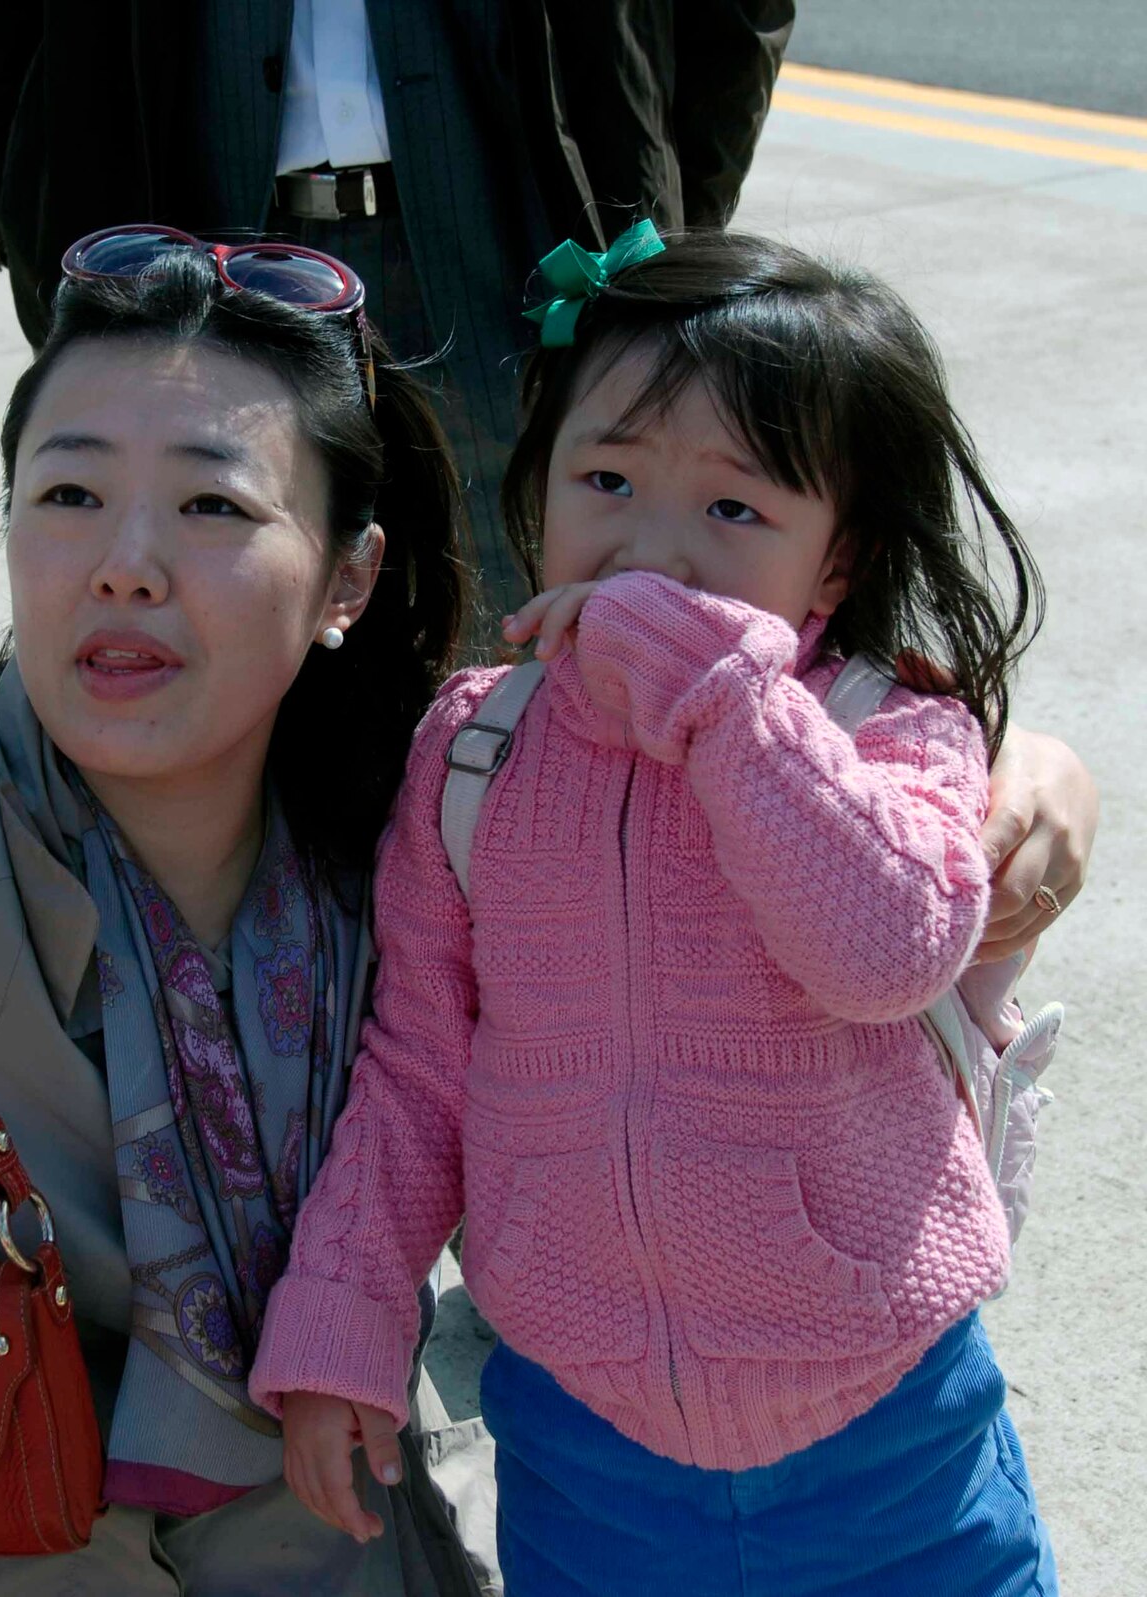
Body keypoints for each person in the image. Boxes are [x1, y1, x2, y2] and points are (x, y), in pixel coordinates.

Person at [0, 80, 1094, 1597]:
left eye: (212, 502)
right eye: (68, 492)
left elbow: (812, 847)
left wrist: (1035, 778)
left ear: (353, 578)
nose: (124, 558)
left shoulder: (426, 806)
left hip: (333, 1550)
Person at [249, 228, 1062, 1595]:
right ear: (542, 484)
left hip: (885, 1423)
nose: (654, 550)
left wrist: (730, 702)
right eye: (608, 480)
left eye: (734, 511)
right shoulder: (477, 753)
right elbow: (417, 1073)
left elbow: (888, 950)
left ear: (838, 564)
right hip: (589, 1438)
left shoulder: (885, 727)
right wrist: (346, 1316)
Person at [0, 0, 797, 615]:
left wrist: (673, 219)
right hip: (198, 253)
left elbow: (734, 21)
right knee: (234, 604)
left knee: (541, 614)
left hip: (525, 260)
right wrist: (35, 233)